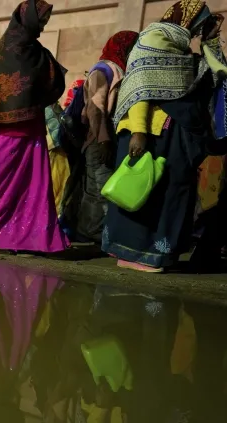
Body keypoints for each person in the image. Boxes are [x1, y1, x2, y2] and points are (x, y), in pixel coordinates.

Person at [104, 1, 223, 272]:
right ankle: (136, 255)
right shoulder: (154, 39)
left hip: (170, 137)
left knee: (169, 194)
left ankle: (157, 254)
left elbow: (218, 75)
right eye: (197, 25)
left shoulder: (182, 51)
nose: (195, 32)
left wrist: (211, 40)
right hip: (147, 133)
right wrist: (138, 131)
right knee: (142, 192)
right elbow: (140, 88)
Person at [0, 0, 68, 253]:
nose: (44, 24)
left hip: (29, 126)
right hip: (5, 128)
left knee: (31, 182)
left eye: (46, 20)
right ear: (28, 18)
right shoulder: (12, 48)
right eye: (42, 19)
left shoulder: (33, 50)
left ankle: (26, 236)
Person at [61, 31, 140, 244]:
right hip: (97, 140)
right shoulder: (102, 70)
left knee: (94, 188)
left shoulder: (118, 70)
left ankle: (89, 232)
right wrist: (103, 139)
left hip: (105, 139)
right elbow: (96, 109)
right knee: (101, 189)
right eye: (133, 45)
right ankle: (93, 234)